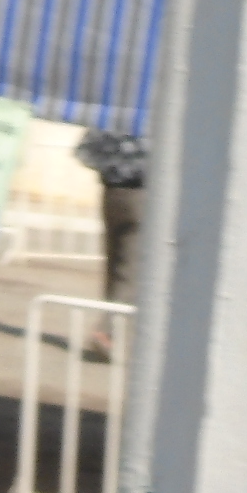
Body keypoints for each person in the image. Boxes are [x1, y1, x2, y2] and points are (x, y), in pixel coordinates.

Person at [75, 127, 146, 355]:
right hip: (142, 194)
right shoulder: (155, 122)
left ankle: (111, 330)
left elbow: (84, 151)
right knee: (130, 270)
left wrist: (111, 166)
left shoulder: (112, 119)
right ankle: (106, 332)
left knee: (114, 264)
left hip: (112, 193)